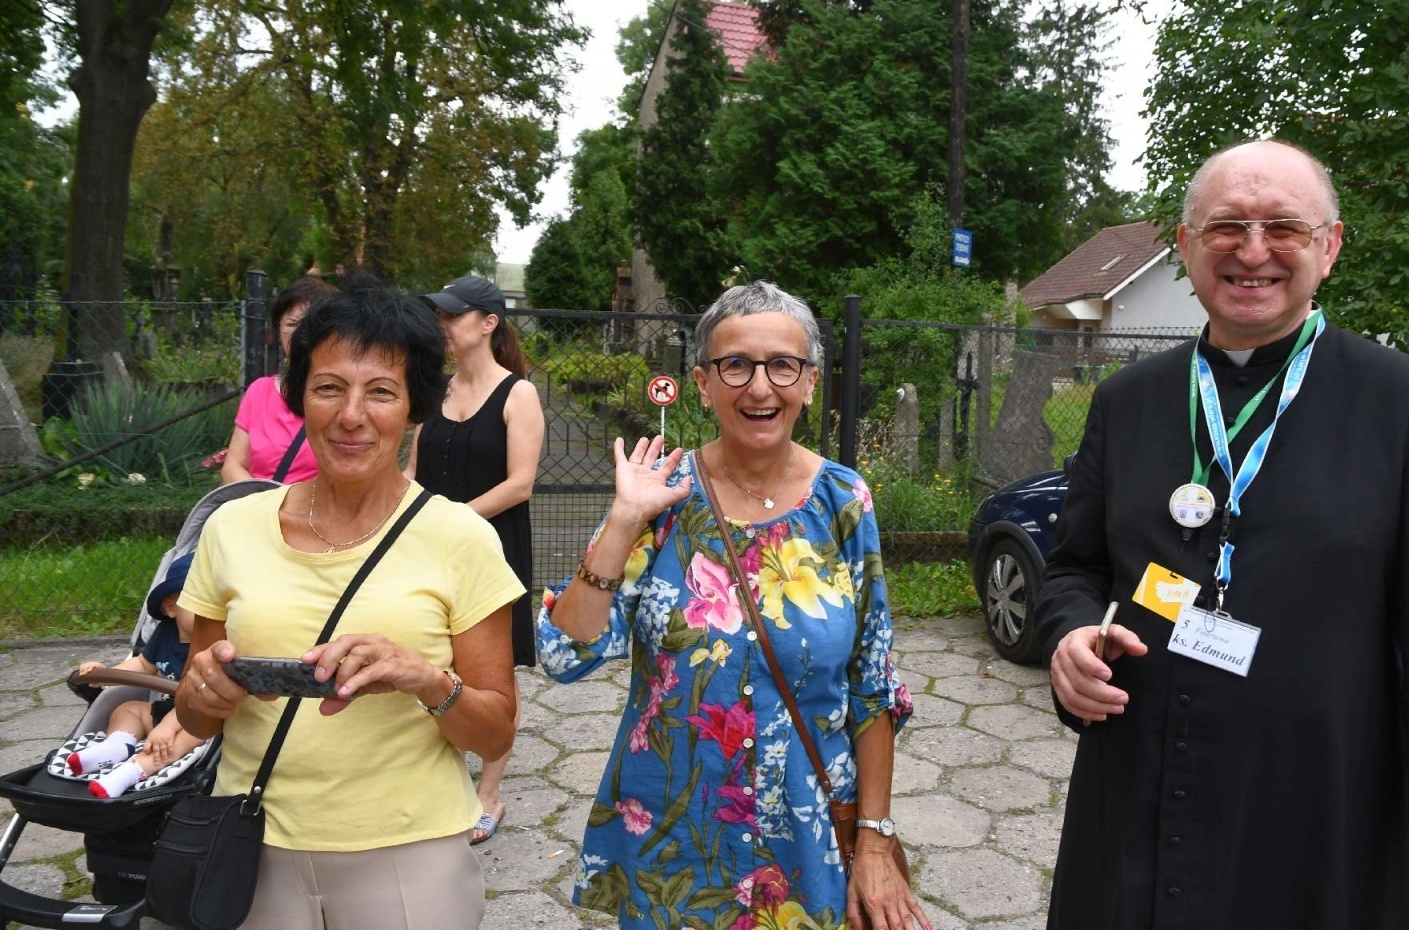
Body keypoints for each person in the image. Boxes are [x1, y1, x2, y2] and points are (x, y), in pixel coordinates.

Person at [1035, 140, 1409, 930]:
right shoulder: (1129, 401)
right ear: (1187, 246)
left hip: (1314, 840)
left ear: (1328, 248)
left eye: (1284, 227)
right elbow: (1074, 570)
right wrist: (1066, 638)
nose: (1252, 249)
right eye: (1226, 224)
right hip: (1130, 820)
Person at [538, 281, 927, 930]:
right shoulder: (662, 497)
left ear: (809, 382)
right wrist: (621, 523)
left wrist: (877, 839)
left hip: (806, 833)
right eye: (735, 365)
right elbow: (562, 655)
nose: (759, 387)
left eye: (782, 365)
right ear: (703, 382)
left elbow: (874, 684)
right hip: (676, 841)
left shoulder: (844, 502)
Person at [175, 284, 524, 930]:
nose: (352, 416)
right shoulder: (231, 529)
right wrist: (202, 694)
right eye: (329, 387)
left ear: (415, 408)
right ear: (300, 396)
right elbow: (194, 718)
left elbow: (496, 729)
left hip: (410, 860)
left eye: (381, 392)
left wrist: (423, 678)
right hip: (254, 846)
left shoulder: (460, 539)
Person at [406, 274, 545, 844]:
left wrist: (454, 521)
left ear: (488, 323)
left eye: (453, 315)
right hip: (428, 550)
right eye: (440, 314)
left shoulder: (519, 394)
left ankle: (489, 792)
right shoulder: (433, 391)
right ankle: (433, 771)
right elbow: (412, 471)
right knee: (432, 657)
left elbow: (520, 484)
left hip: (491, 552)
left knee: (492, 674)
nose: (442, 324)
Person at [69, 554, 207, 798]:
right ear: (171, 608)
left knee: (189, 736)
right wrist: (106, 674)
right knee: (128, 708)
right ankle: (115, 747)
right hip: (164, 709)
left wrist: (166, 727)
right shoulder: (166, 633)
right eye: (200, 601)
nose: (211, 610)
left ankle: (131, 773)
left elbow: (196, 697)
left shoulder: (216, 644)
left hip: (198, 719)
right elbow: (143, 665)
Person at [221, 276, 335, 484]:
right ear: (278, 327)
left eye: (309, 324)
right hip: (259, 509)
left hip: (317, 513)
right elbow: (233, 466)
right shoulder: (259, 392)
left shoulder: (343, 397)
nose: (299, 333)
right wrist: (266, 507)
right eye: (291, 324)